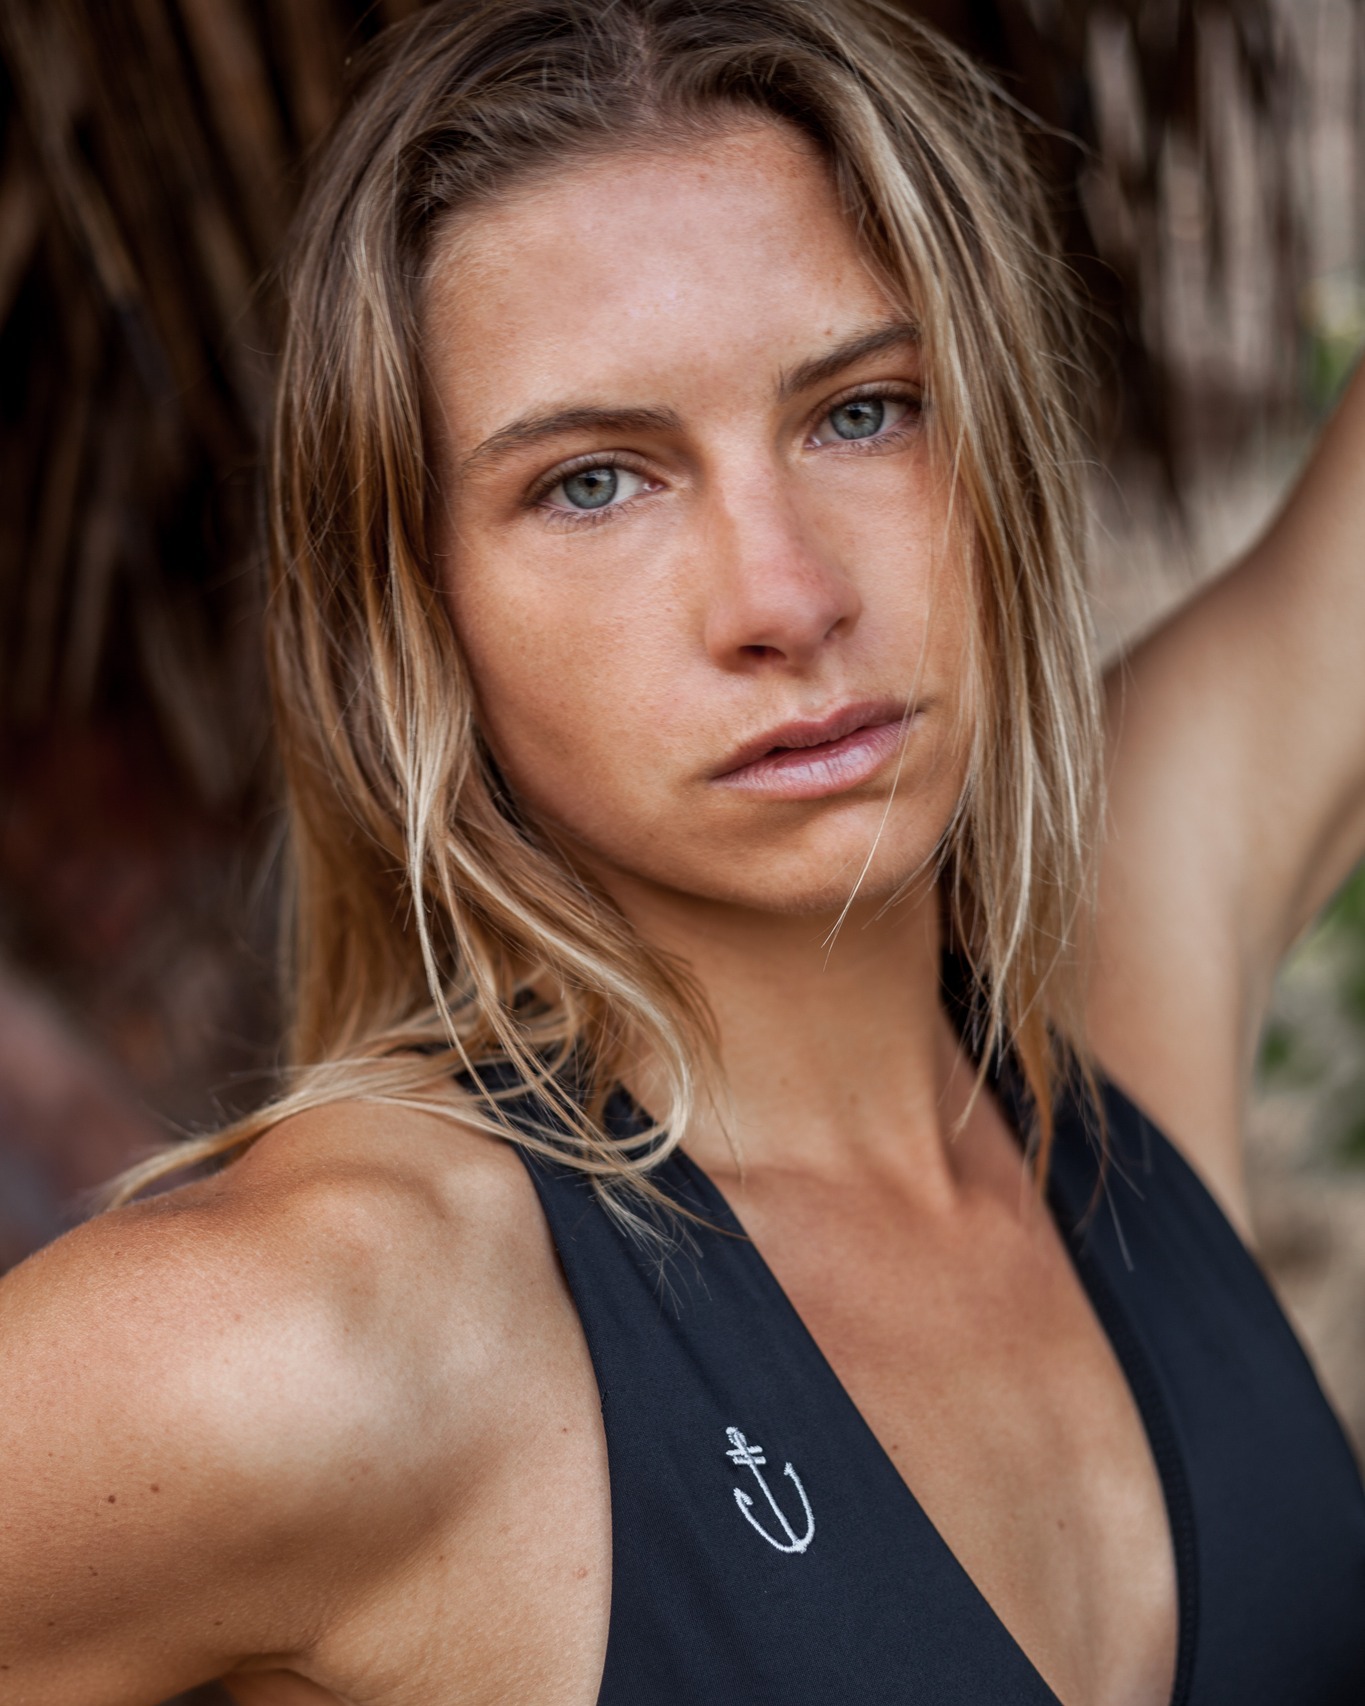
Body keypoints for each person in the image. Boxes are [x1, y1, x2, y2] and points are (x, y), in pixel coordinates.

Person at [3, 2, 1364, 1701]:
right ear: (411, 616)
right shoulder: (325, 1331)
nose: (787, 596)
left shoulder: (1099, 1018)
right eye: (594, 482)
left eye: (861, 411)